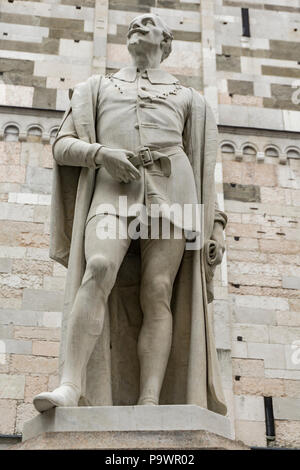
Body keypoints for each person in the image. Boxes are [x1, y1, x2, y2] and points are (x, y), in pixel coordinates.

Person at [33, 13, 228, 414]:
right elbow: (61, 145)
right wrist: (100, 153)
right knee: (100, 265)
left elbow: (205, 167)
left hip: (175, 193)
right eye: (135, 23)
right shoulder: (96, 87)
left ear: (166, 41)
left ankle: (150, 399)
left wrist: (218, 225)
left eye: (150, 22)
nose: (139, 22)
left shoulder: (189, 98)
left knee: (158, 291)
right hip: (112, 189)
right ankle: (70, 384)